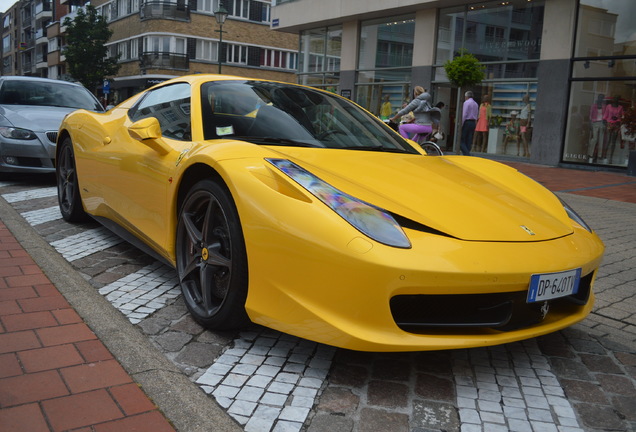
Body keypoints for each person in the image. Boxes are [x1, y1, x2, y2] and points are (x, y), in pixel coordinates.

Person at [600, 95, 623, 164]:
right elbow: (605, 114)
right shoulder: (609, 106)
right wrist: (604, 120)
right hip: (609, 124)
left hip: (616, 124)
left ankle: (611, 157)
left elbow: (622, 116)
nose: (615, 100)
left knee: (613, 142)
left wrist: (619, 120)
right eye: (615, 98)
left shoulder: (620, 107)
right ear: (613, 99)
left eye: (617, 99)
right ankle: (604, 155)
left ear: (618, 100)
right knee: (608, 141)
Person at [587, 94, 605, 163]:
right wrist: (590, 124)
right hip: (595, 123)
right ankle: (590, 153)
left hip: (602, 123)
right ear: (598, 98)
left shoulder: (604, 106)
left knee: (601, 139)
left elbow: (605, 115)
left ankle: (599, 155)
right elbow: (590, 115)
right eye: (600, 97)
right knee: (594, 138)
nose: (601, 99)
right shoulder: (594, 105)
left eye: (602, 98)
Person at [460, 91, 478, 155]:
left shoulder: (466, 103)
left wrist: (461, 124)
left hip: (467, 122)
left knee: (461, 140)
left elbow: (464, 114)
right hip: (473, 122)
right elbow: (476, 114)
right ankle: (467, 153)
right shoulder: (476, 104)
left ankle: (467, 154)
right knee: (469, 139)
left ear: (466, 96)